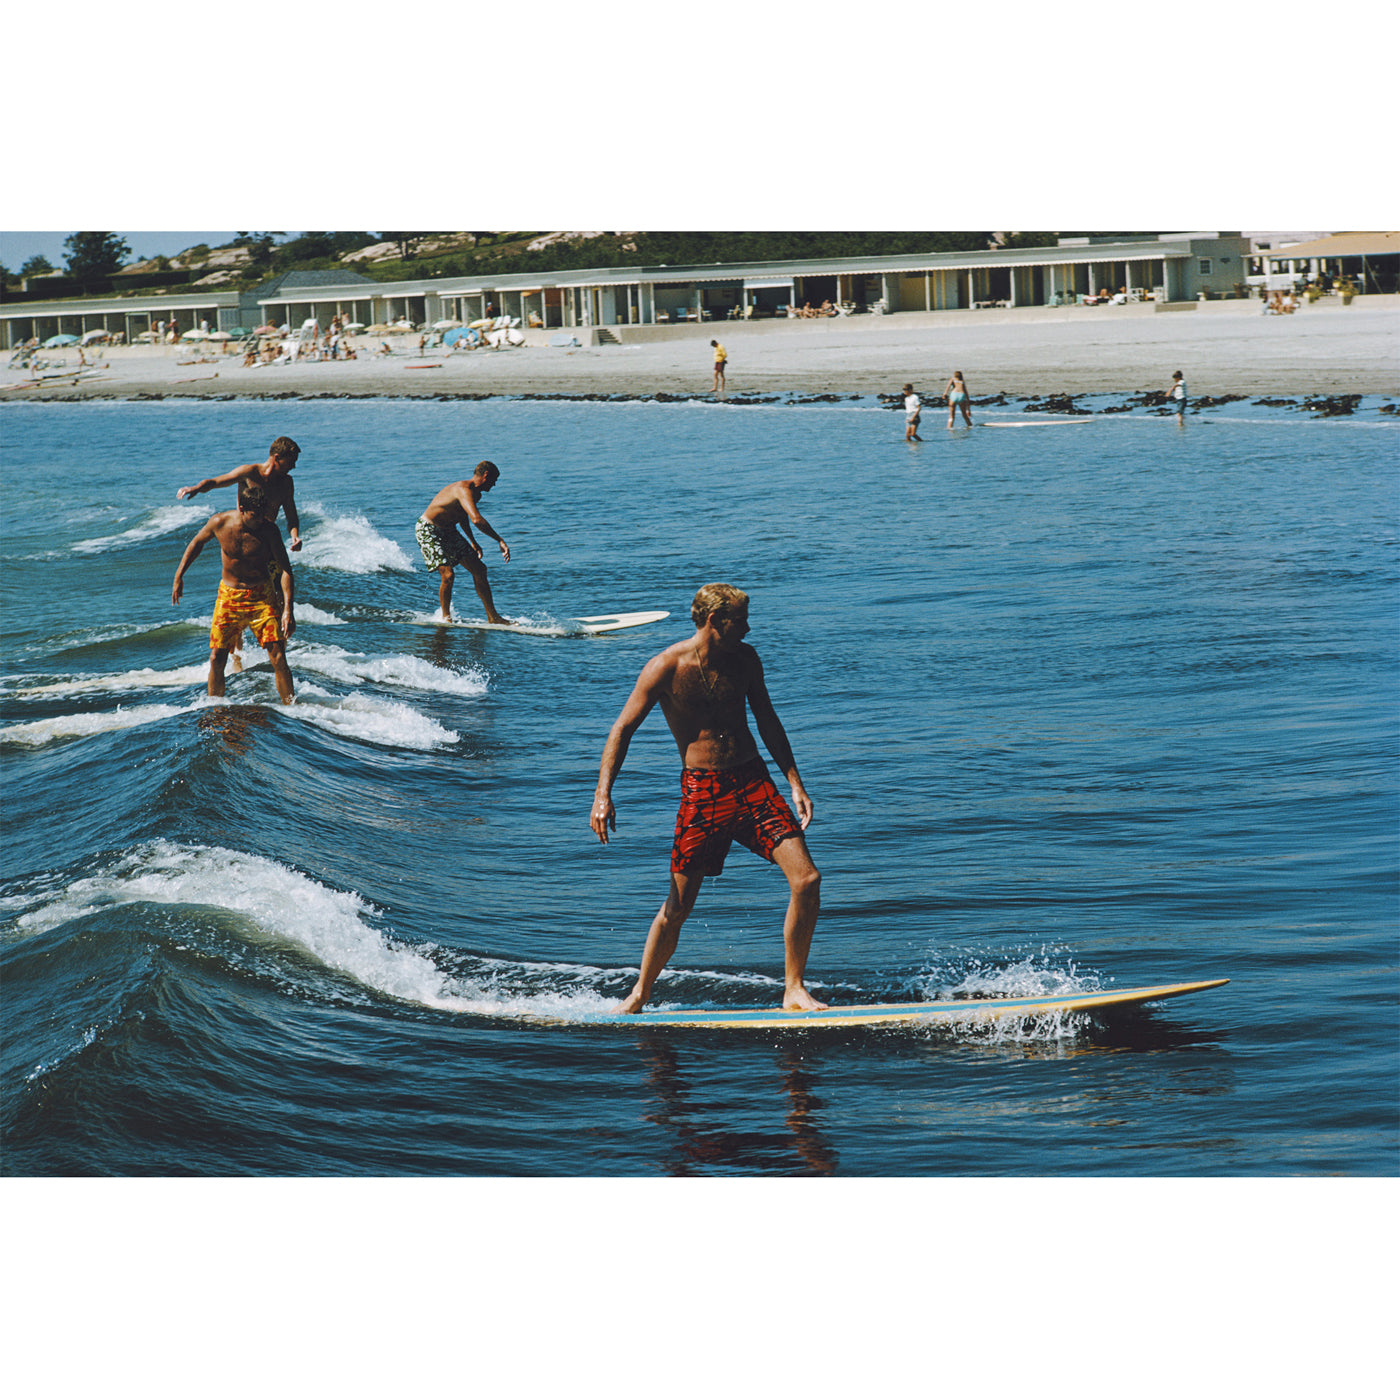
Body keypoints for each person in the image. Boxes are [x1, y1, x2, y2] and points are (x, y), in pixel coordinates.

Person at [590, 583, 825, 1014]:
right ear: (715, 621)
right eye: (740, 620)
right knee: (678, 907)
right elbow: (622, 730)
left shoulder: (746, 660)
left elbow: (767, 719)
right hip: (703, 793)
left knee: (807, 880)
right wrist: (603, 794)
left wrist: (794, 782)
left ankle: (793, 988)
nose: (748, 628)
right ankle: (640, 994)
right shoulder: (664, 667)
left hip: (754, 784)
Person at [172, 484, 295, 704]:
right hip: (229, 598)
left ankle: (293, 708)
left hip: (261, 597)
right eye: (254, 516)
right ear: (241, 508)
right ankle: (215, 707)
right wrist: (179, 576)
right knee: (216, 658)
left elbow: (285, 569)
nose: (259, 520)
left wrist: (288, 609)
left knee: (277, 655)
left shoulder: (269, 530)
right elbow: (196, 544)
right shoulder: (219, 523)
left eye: (262, 515)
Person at [415, 461, 511, 623]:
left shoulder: (476, 494)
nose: (494, 485)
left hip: (449, 530)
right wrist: (499, 540)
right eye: (494, 480)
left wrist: (473, 541)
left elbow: (461, 515)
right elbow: (477, 520)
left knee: (480, 570)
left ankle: (493, 617)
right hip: (429, 530)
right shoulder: (463, 490)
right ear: (486, 476)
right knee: (448, 574)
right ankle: (446, 619)